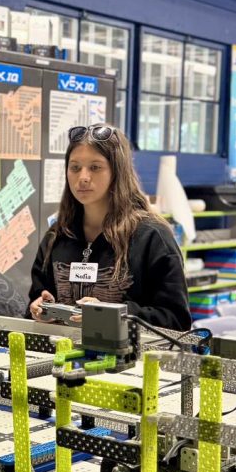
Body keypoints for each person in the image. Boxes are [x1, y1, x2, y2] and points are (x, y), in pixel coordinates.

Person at [27, 124, 191, 331]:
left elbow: (176, 320)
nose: (83, 177)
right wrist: (39, 309)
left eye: (95, 167)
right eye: (75, 167)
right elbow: (37, 299)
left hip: (130, 360)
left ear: (117, 172)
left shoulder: (152, 236)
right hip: (65, 357)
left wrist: (111, 314)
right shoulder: (56, 237)